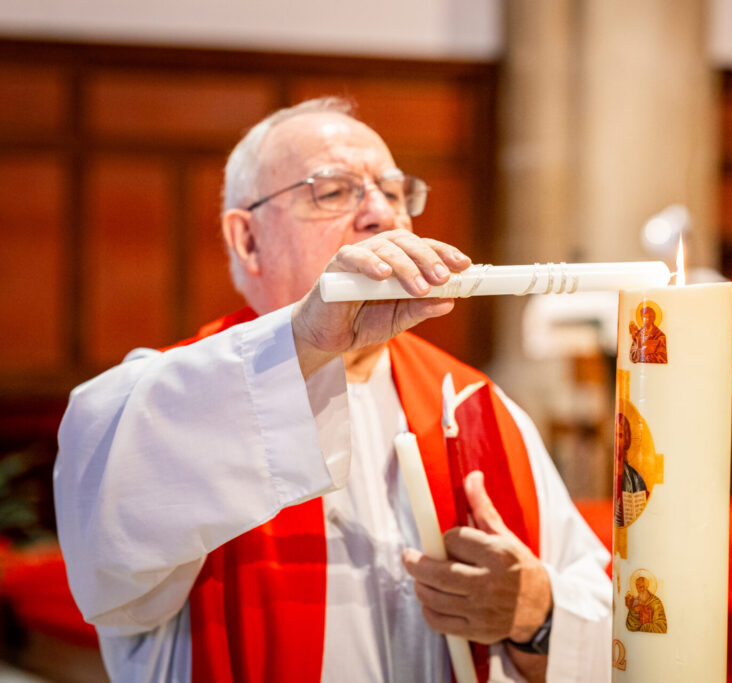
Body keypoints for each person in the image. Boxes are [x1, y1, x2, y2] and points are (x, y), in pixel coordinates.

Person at [54, 97, 611, 682]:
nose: (381, 215)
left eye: (394, 192)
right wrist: (306, 338)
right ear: (247, 240)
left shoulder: (475, 407)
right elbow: (108, 542)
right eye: (334, 191)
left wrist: (537, 617)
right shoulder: (178, 400)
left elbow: (603, 622)